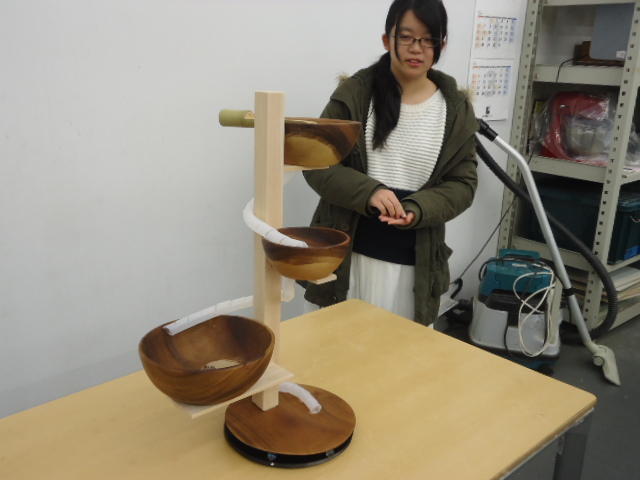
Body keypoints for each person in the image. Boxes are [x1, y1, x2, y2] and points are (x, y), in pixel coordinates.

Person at [302, 0, 479, 326]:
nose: (417, 48)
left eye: (428, 39)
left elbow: (463, 184)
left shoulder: (454, 109)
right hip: (347, 259)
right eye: (406, 37)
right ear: (387, 40)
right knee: (333, 347)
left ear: (441, 45)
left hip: (413, 268)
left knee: (399, 352)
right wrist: (369, 192)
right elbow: (317, 163)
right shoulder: (355, 94)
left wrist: (419, 207)